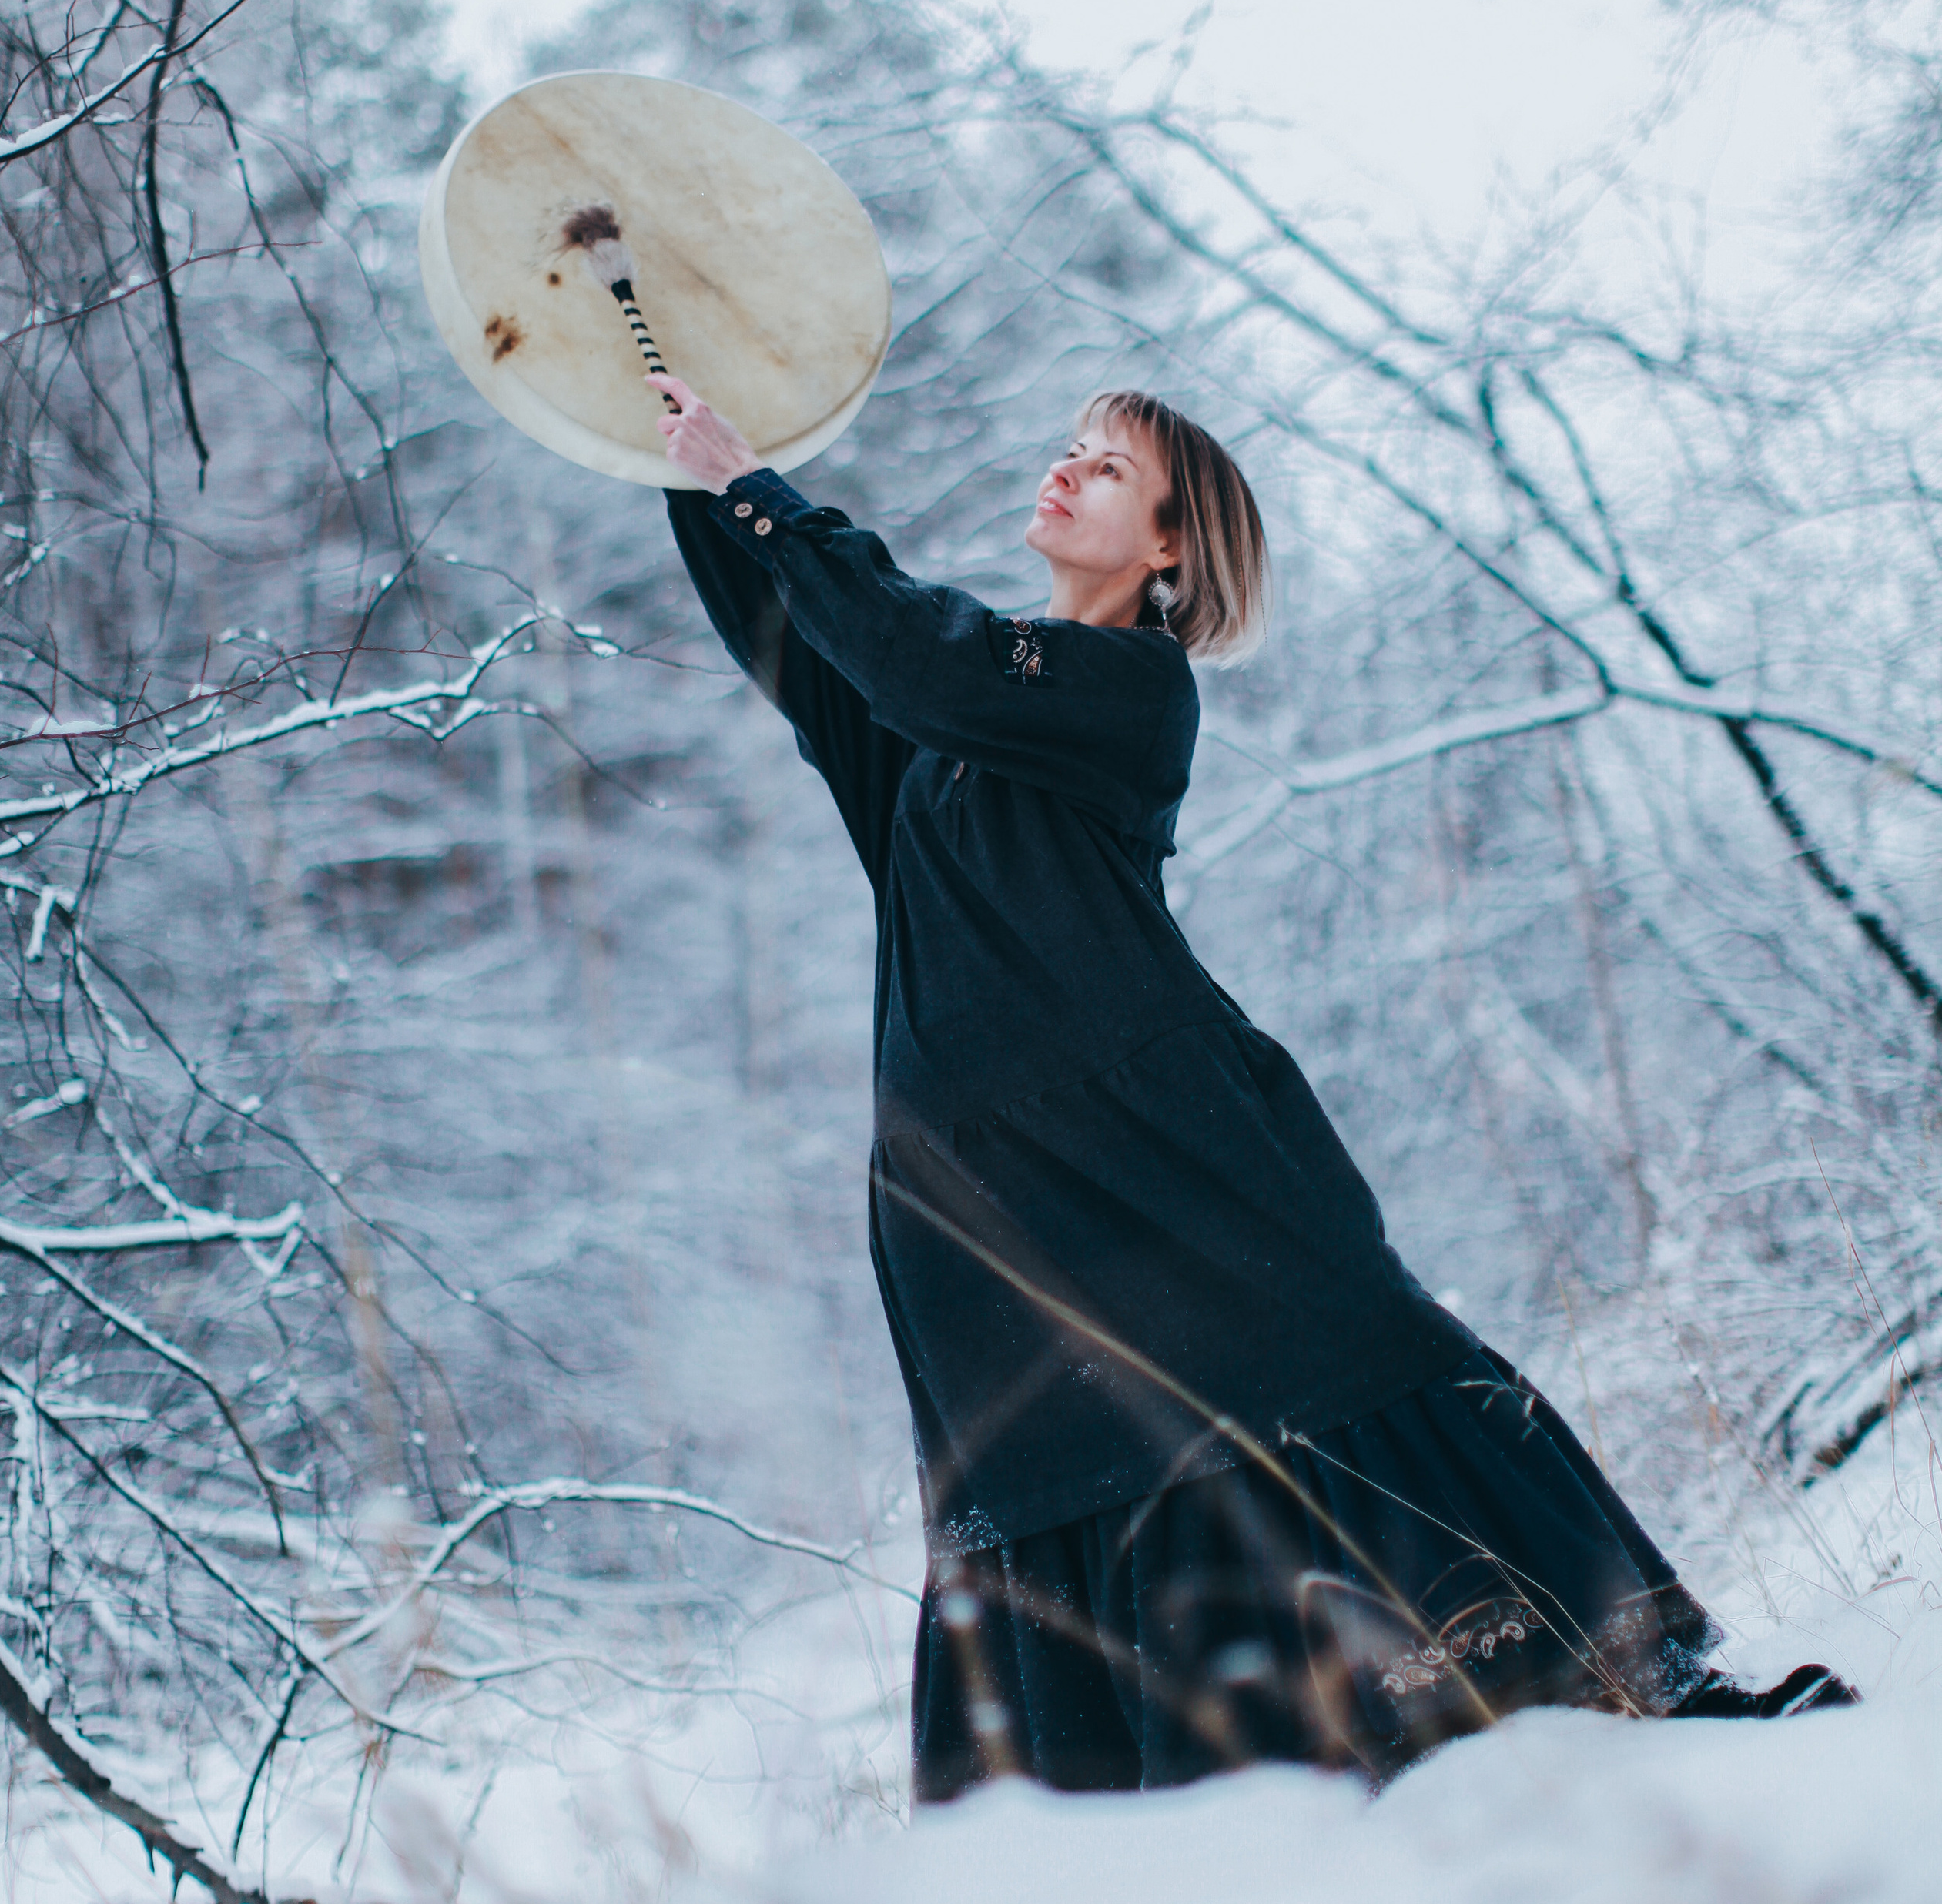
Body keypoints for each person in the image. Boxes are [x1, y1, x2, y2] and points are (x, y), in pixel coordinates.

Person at [661, 376, 1853, 1799]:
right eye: (1069, 449)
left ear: (1168, 549)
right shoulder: (935, 741)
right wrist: (675, 461)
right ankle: (1138, 1828)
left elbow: (931, 661)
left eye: (1107, 469)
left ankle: (1623, 1680)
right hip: (973, 1199)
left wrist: (765, 491)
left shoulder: (1122, 691)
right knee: (1059, 1469)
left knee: (1361, 1364)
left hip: (1168, 1141)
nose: (1066, 472)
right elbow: (807, 639)